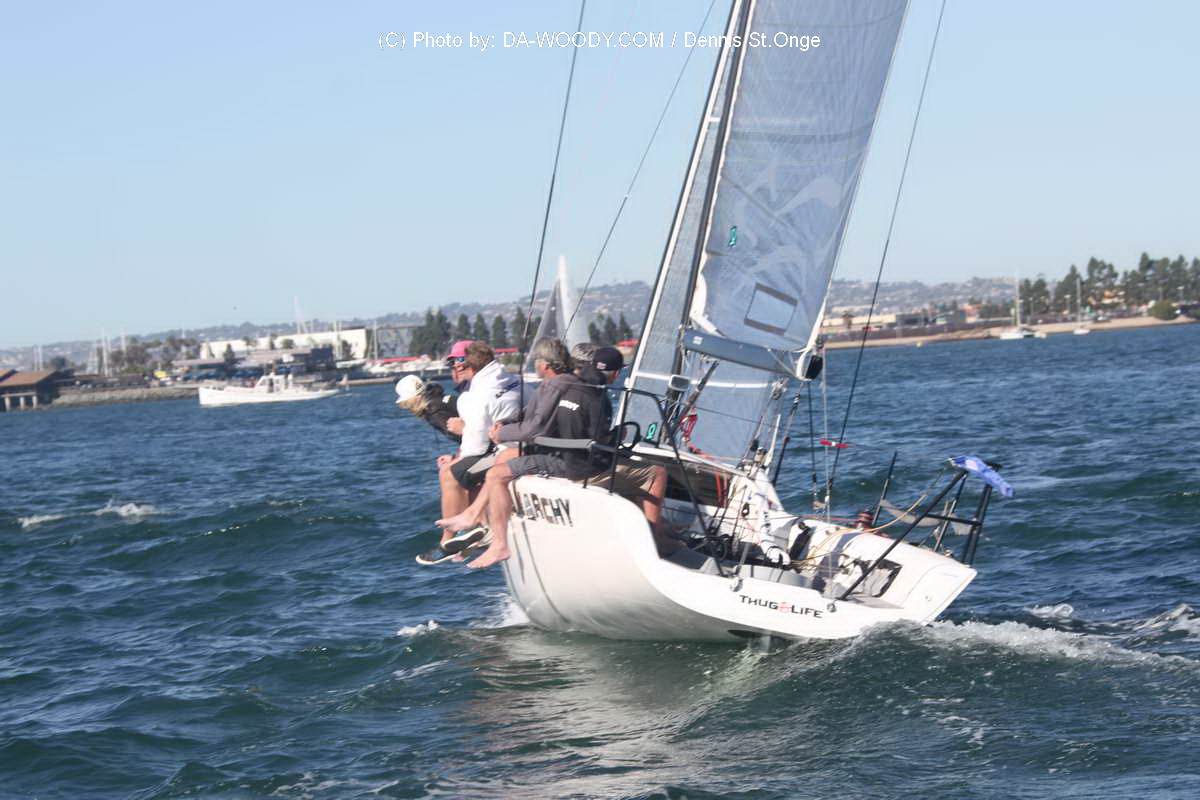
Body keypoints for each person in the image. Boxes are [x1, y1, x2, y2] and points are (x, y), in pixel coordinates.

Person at [438, 337, 610, 568]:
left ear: (544, 365)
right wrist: (505, 426)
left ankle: (485, 537)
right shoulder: (543, 383)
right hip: (546, 448)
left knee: (473, 474)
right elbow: (531, 414)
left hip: (563, 457)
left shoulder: (554, 386)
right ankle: (474, 518)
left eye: (458, 362)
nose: (456, 368)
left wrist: (500, 433)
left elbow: (534, 427)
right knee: (502, 459)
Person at [431, 340, 521, 556]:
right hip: (522, 443)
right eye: (452, 364)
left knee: (450, 473)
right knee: (463, 468)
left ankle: (448, 540)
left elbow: (476, 446)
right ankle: (478, 526)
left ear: (466, 363)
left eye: (456, 362)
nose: (455, 367)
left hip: (508, 448)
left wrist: (459, 450)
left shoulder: (473, 396)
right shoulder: (515, 380)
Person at [395, 374, 459, 443]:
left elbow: (459, 434)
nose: (407, 407)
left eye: (406, 404)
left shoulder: (434, 411)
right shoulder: (437, 399)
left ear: (412, 400)